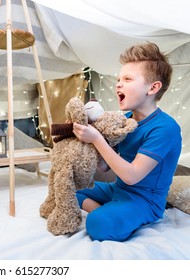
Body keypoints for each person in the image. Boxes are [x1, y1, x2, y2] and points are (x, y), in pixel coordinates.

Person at [73, 42, 182, 241]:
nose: (118, 84)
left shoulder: (165, 128)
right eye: (118, 79)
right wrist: (88, 141)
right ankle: (107, 210)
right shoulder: (125, 121)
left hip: (145, 200)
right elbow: (106, 167)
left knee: (97, 224)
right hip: (119, 189)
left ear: (153, 88)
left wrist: (98, 140)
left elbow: (132, 176)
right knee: (69, 187)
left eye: (127, 79)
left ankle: (106, 214)